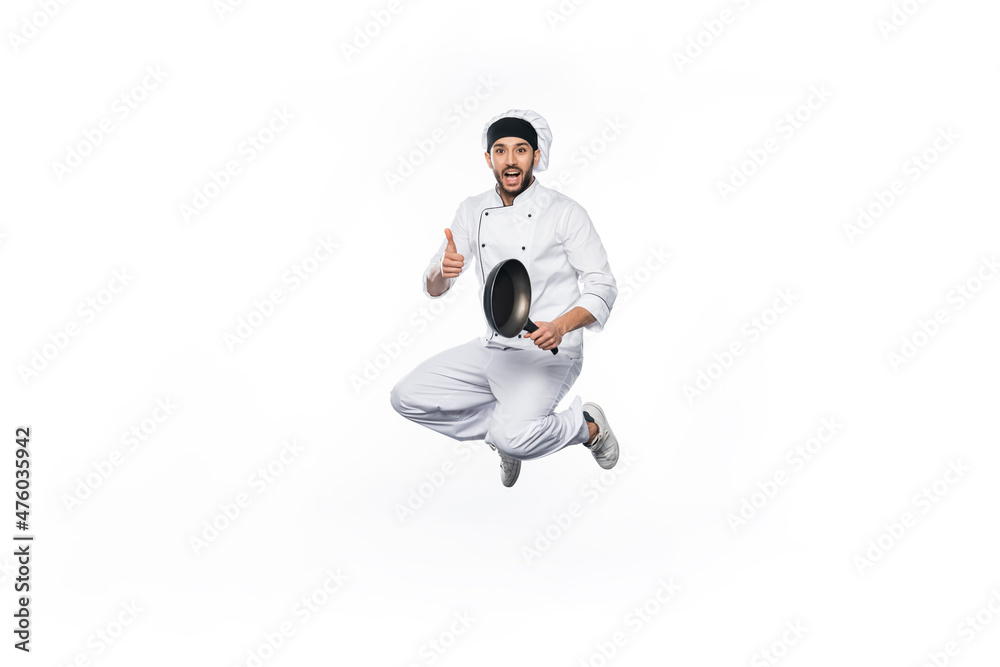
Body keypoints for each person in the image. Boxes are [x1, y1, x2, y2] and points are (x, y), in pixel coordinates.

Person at [389, 109, 619, 487]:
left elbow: (602, 285)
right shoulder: (472, 209)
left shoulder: (566, 213)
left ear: (536, 155)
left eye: (520, 150)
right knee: (406, 396)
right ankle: (504, 436)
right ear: (488, 158)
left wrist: (561, 326)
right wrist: (440, 270)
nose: (510, 160)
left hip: (549, 351)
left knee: (514, 435)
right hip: (495, 346)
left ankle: (587, 427)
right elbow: (434, 286)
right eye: (500, 150)